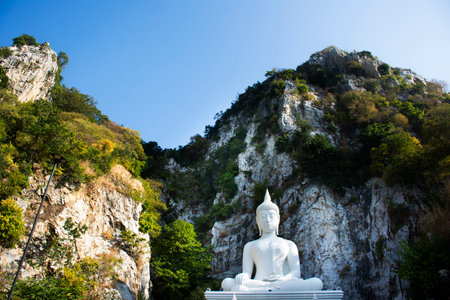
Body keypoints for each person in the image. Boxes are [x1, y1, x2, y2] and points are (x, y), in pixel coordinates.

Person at [221, 189, 323, 292]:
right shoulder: (250, 246)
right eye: (263, 217)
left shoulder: (289, 244)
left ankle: (271, 289)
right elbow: (247, 273)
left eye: (271, 216)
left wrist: (281, 280)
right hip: (259, 282)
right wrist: (243, 276)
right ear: (258, 220)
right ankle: (272, 288)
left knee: (317, 283)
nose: (268, 220)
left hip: (283, 282)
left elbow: (296, 272)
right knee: (227, 282)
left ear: (278, 219)